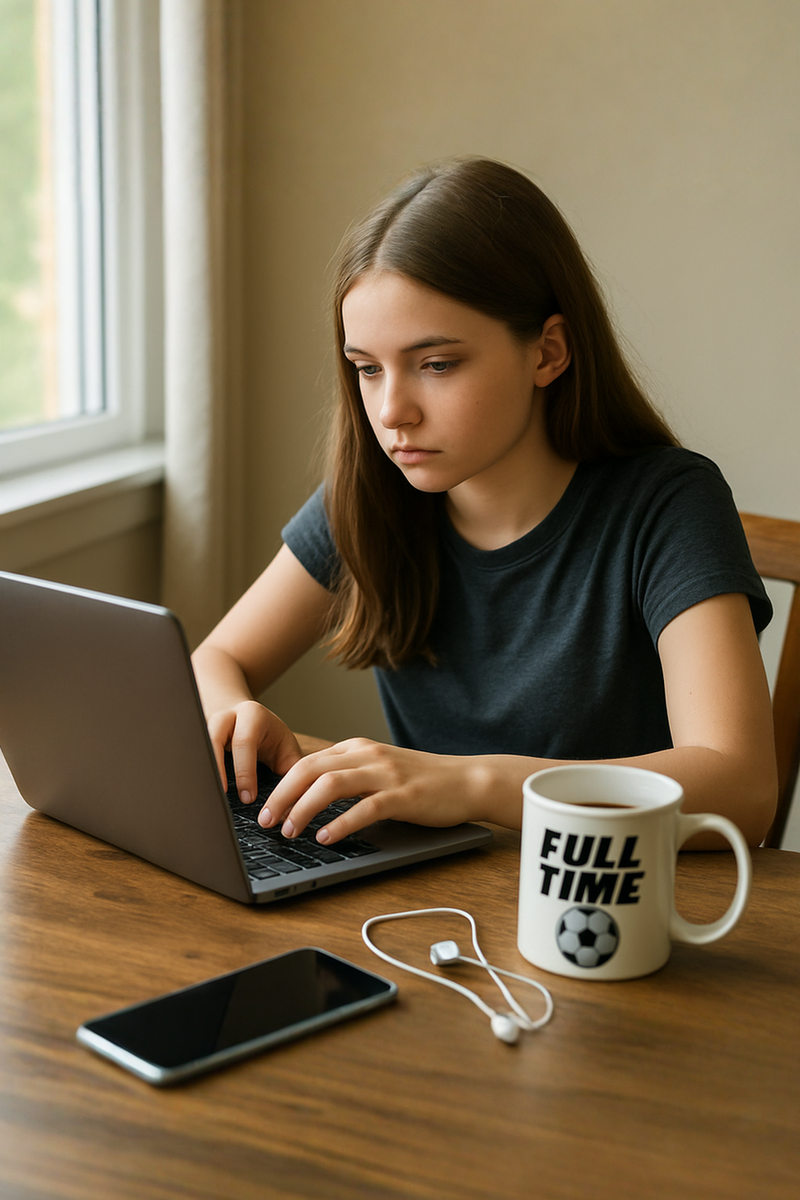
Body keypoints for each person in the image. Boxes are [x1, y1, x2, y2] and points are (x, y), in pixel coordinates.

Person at [191, 157, 777, 850]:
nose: (391, 411)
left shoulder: (667, 504)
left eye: (436, 365)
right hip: (431, 901)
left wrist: (468, 786)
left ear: (548, 353)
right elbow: (215, 658)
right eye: (366, 368)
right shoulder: (374, 494)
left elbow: (739, 788)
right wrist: (233, 714)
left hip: (608, 906)